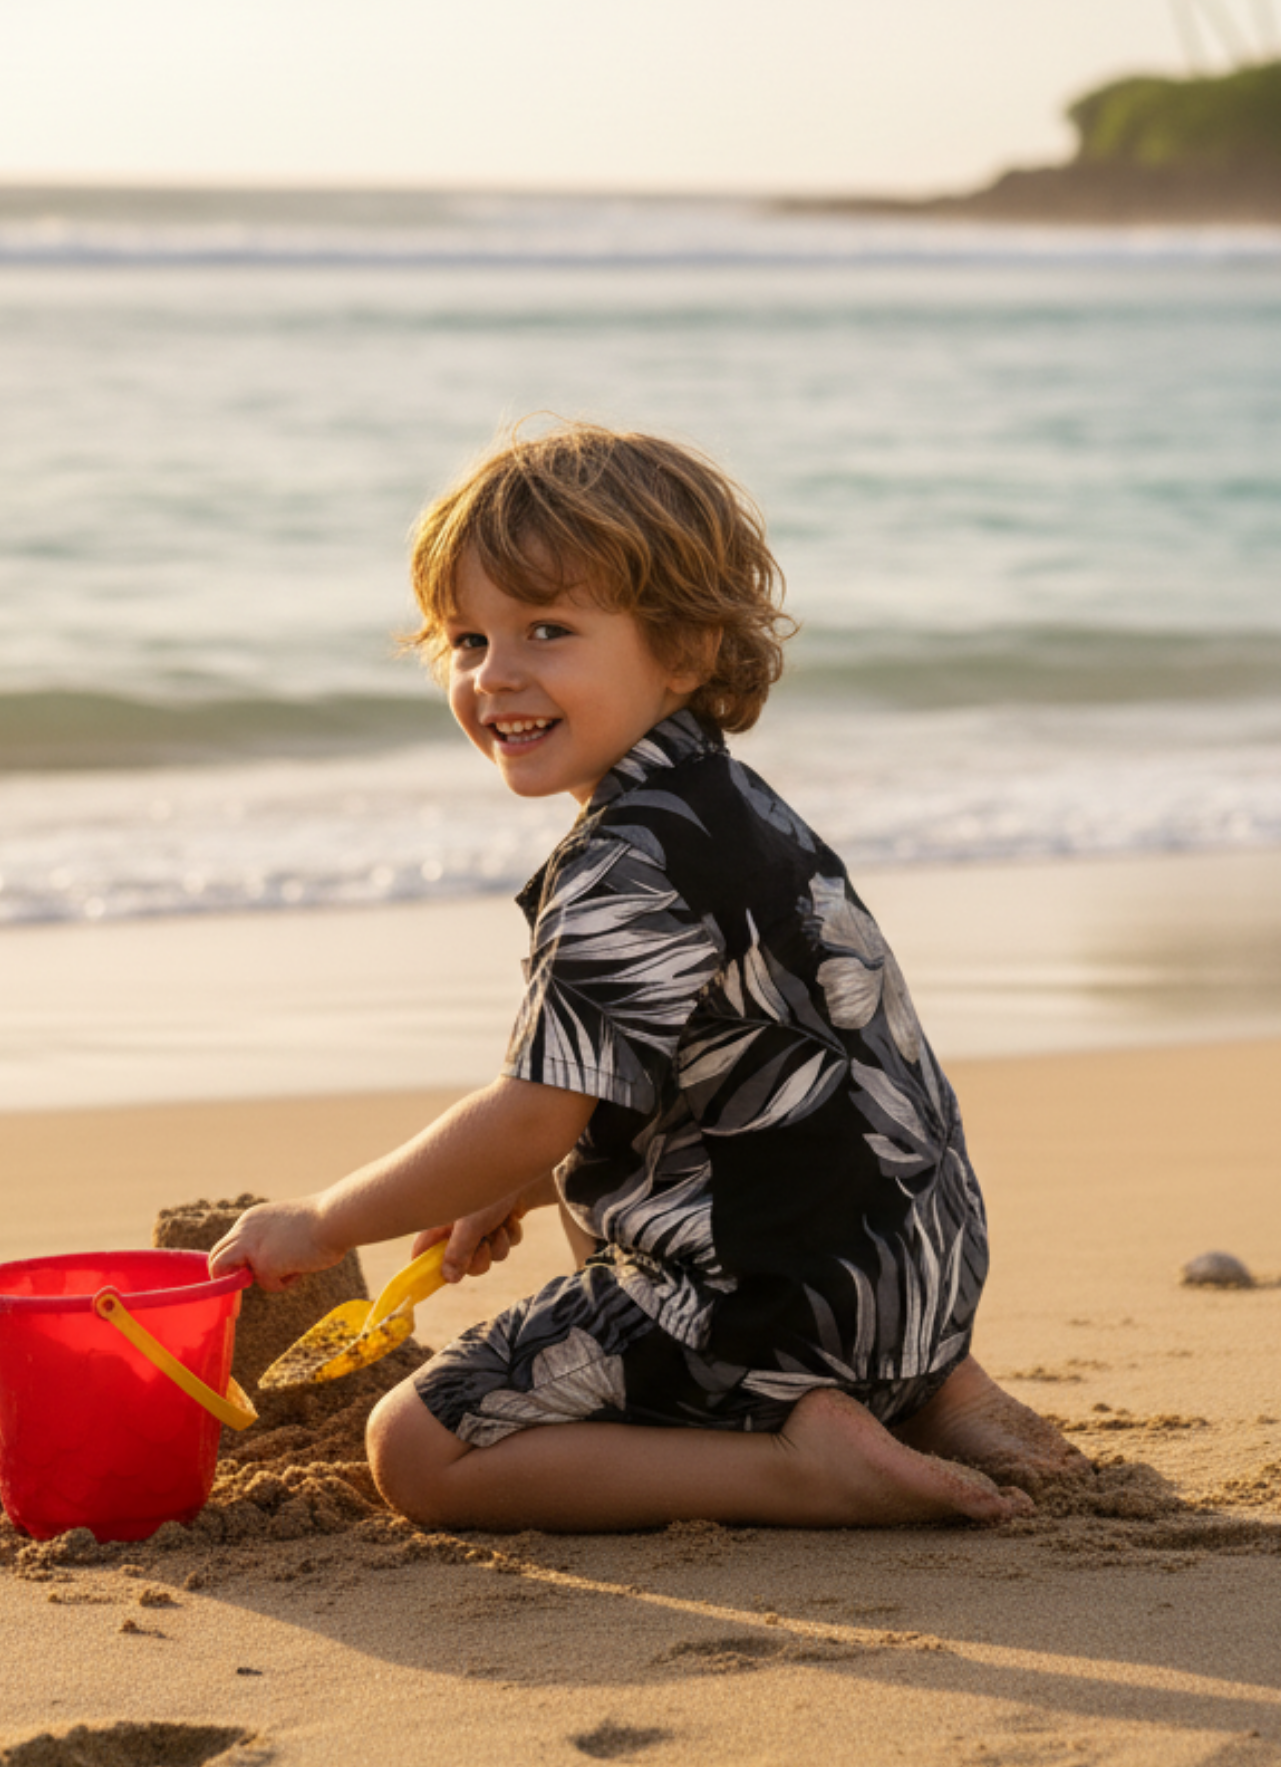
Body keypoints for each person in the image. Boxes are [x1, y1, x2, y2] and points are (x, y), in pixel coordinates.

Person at [209, 424, 1085, 1533]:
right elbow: (740, 1079)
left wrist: (326, 1221)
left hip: (773, 1310)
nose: (497, 675)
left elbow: (535, 1111)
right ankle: (928, 1387)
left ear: (683, 648)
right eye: (468, 638)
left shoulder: (617, 870)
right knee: (599, 1197)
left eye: (548, 630)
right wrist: (516, 1188)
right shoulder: (736, 806)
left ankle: (805, 1469)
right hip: (913, 1277)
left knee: (416, 1450)